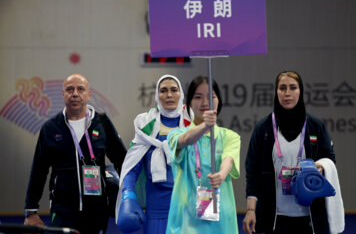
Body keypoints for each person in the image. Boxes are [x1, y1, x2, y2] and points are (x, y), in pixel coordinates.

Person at [24, 74, 127, 234]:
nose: (75, 94)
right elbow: (38, 170)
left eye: (80, 89)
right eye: (69, 89)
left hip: (96, 209)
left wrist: (129, 196)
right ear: (63, 94)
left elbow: (123, 161)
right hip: (62, 209)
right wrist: (31, 211)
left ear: (89, 94)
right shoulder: (50, 128)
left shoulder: (102, 123)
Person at [242, 71, 338, 234]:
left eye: (293, 88)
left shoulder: (316, 126)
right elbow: (252, 172)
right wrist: (251, 209)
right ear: (276, 92)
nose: (287, 93)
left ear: (300, 91)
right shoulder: (263, 128)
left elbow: (330, 159)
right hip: (275, 217)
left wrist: (321, 166)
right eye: (282, 88)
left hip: (310, 217)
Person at [115, 74, 192, 234]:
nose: (169, 95)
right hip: (157, 210)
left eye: (174, 90)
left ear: (181, 94)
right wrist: (128, 195)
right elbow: (132, 167)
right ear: (157, 95)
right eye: (163, 90)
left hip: (189, 209)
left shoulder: (193, 125)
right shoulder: (145, 126)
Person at [166, 76, 240, 234]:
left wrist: (221, 174)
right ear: (189, 103)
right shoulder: (175, 135)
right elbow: (185, 139)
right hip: (186, 221)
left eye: (211, 96)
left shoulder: (230, 136)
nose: (205, 103)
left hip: (222, 223)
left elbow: (229, 159)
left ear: (219, 100)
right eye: (198, 97)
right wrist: (206, 125)